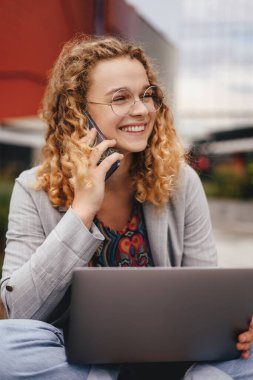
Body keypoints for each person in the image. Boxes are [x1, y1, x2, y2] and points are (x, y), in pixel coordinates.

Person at [0, 34, 253, 380]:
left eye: (147, 95)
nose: (142, 109)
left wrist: (237, 330)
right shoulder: (33, 189)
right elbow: (19, 312)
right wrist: (81, 211)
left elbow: (206, 298)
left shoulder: (181, 183)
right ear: (79, 111)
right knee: (5, 347)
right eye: (120, 98)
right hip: (78, 364)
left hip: (174, 359)